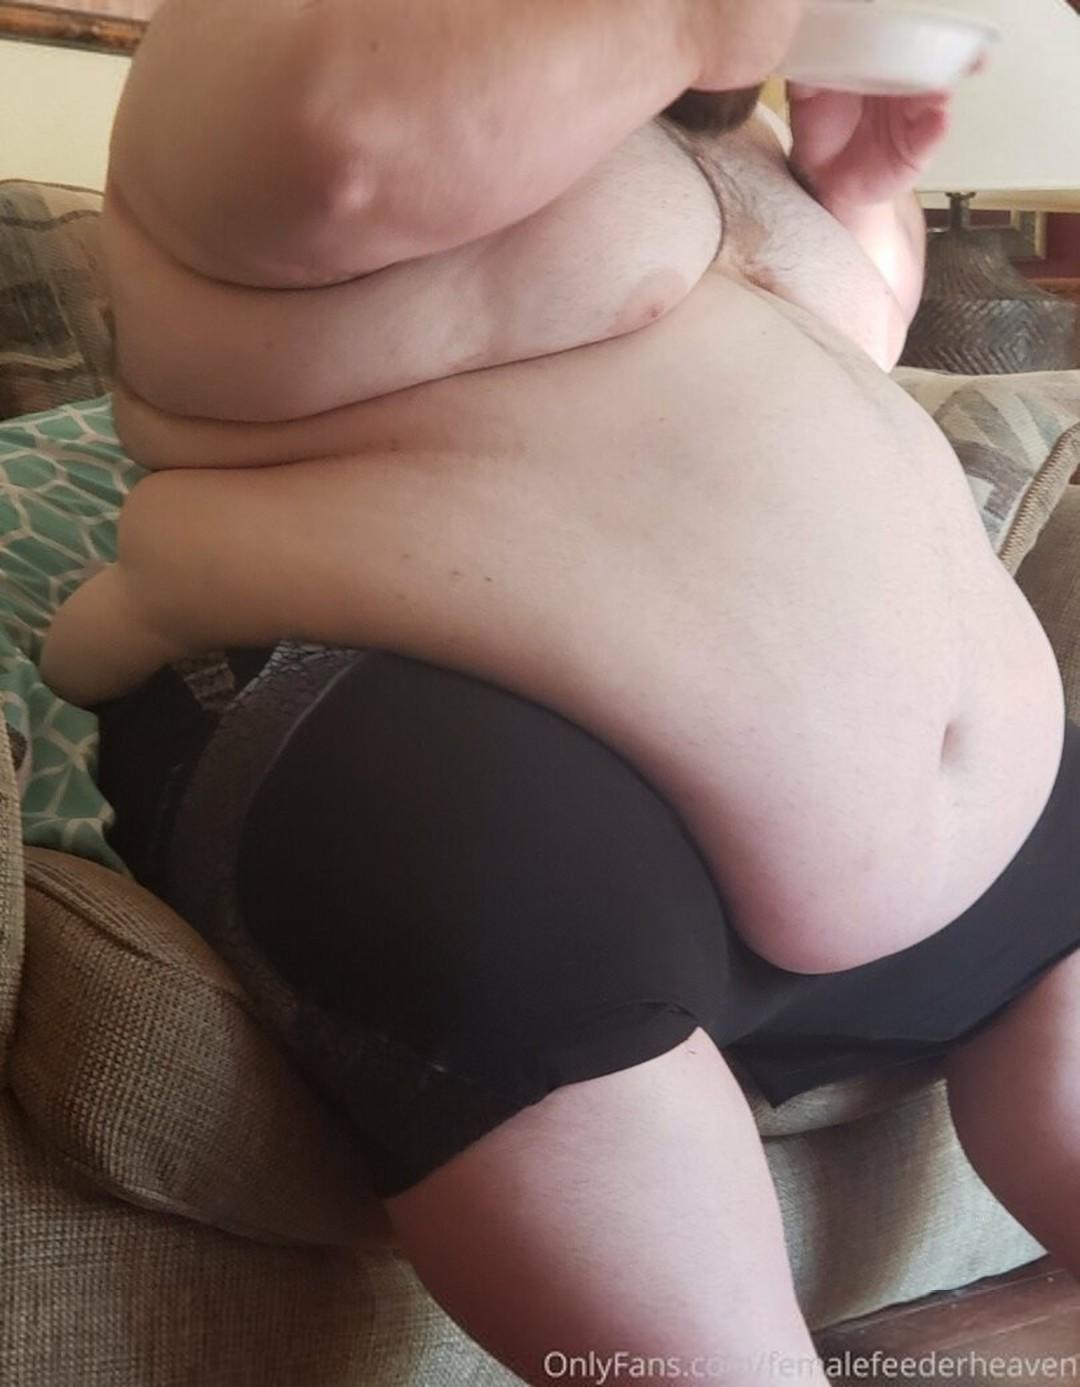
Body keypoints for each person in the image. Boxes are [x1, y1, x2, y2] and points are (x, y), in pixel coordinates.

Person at [31, 0, 1080, 1382]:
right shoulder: (285, 33)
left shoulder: (693, 99)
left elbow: (812, 345)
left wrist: (853, 194)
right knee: (498, 897)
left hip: (896, 835)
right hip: (433, 722)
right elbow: (347, 157)